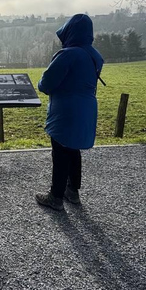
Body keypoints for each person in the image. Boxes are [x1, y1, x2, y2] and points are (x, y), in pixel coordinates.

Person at [35, 14, 104, 211]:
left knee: (60, 151)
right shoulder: (94, 55)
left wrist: (42, 82)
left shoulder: (68, 54)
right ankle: (72, 192)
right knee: (74, 149)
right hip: (87, 108)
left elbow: (46, 84)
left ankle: (55, 196)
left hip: (67, 110)